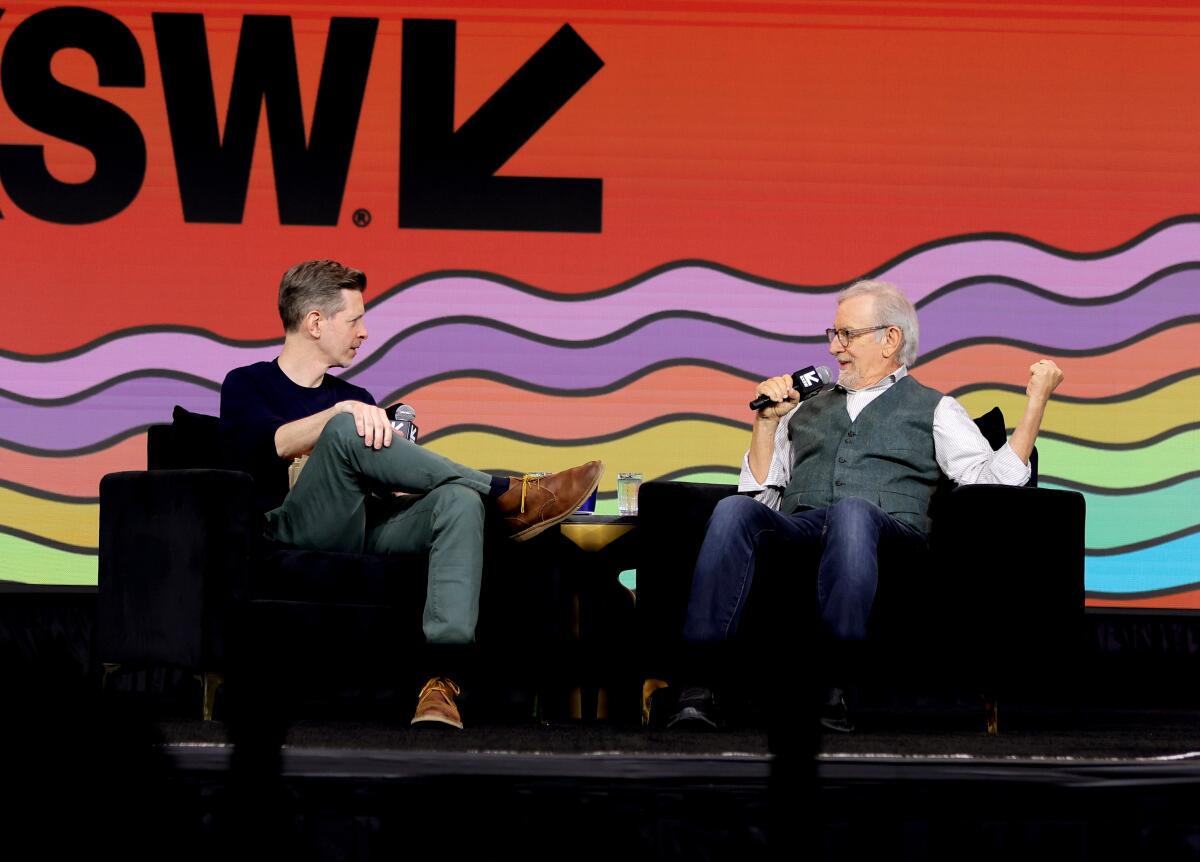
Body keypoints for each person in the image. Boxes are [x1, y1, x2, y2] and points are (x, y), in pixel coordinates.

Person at [219, 259, 604, 729]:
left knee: (458, 501)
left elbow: (383, 487)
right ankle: (507, 492)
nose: (364, 333)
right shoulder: (248, 383)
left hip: (365, 524)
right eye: (355, 320)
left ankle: (441, 681)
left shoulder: (356, 395)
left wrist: (397, 450)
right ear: (315, 323)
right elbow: (265, 445)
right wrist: (341, 417)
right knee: (347, 428)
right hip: (290, 529)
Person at [666, 279, 1063, 732]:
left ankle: (830, 688)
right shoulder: (804, 407)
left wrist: (1036, 402)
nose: (835, 348)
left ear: (890, 340)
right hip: (804, 527)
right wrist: (766, 423)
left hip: (890, 534)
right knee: (733, 510)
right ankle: (698, 686)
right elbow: (762, 498)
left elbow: (995, 483)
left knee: (853, 512)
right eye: (833, 334)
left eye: (847, 335)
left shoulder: (935, 408)